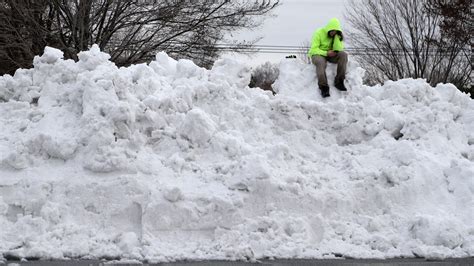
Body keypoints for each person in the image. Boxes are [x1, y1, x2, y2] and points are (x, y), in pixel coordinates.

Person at [308, 18, 348, 98]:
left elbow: (339, 49)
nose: (333, 33)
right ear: (328, 28)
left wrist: (338, 38)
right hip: (318, 54)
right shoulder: (319, 32)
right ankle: (324, 87)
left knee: (343, 55)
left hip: (330, 55)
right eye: (332, 30)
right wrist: (326, 53)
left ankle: (339, 82)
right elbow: (313, 49)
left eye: (335, 31)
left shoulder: (336, 35)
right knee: (320, 63)